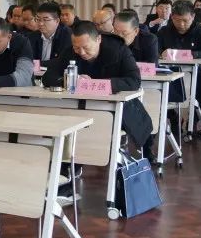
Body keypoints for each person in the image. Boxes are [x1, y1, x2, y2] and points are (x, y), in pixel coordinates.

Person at [43, 22, 153, 157]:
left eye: (86, 47)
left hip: (114, 107)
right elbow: (48, 77)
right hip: (80, 109)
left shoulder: (119, 50)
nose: (81, 52)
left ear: (98, 39)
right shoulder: (70, 52)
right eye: (76, 48)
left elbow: (134, 81)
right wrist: (71, 80)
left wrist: (97, 84)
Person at [157, 0, 201, 119]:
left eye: (185, 20)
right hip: (170, 71)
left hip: (196, 72)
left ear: (193, 16)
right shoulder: (164, 31)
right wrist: (160, 53)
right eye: (177, 20)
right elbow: (155, 51)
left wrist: (191, 54)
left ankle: (194, 118)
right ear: (172, 17)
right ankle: (172, 117)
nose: (181, 24)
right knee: (156, 91)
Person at [28, 1, 71, 67]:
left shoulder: (67, 35)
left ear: (57, 21)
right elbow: (28, 58)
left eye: (45, 20)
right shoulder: (33, 36)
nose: (40, 23)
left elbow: (62, 61)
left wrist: (37, 64)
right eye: (38, 19)